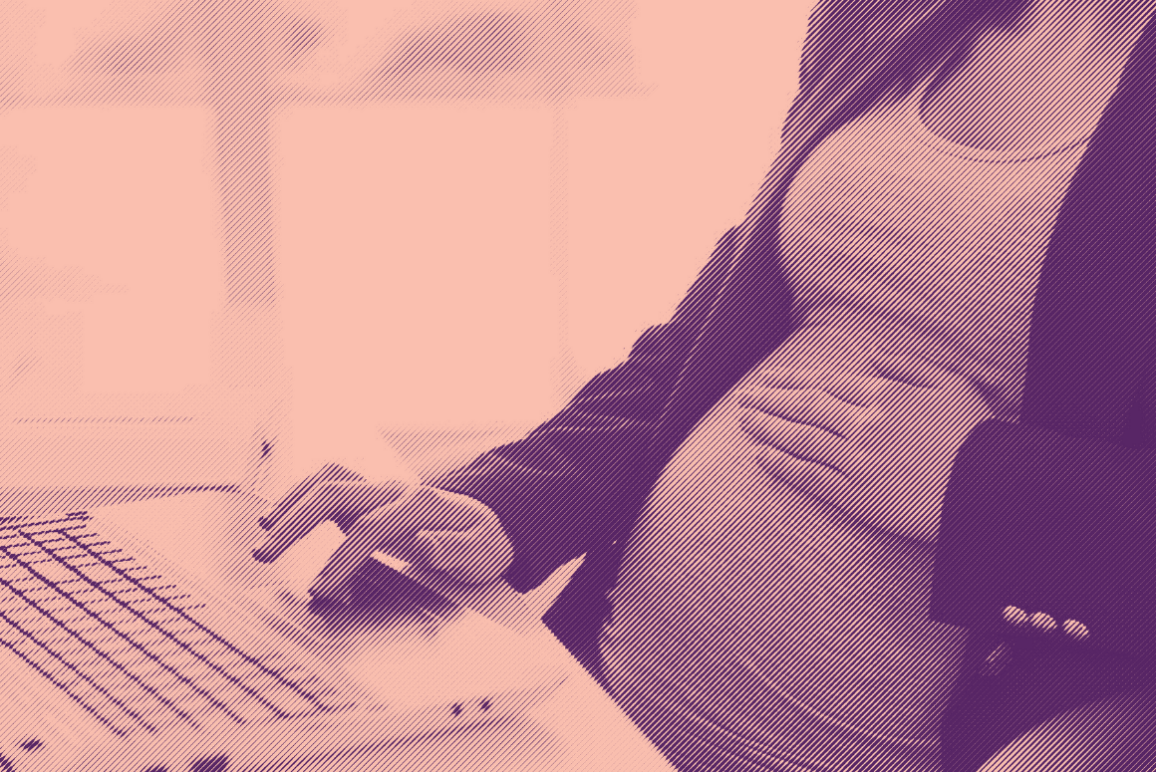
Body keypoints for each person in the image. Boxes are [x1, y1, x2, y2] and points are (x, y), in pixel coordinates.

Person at [252, 0, 1156, 769]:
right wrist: (507, 506)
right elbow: (708, 339)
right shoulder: (887, 17)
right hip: (598, 707)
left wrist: (974, 488)